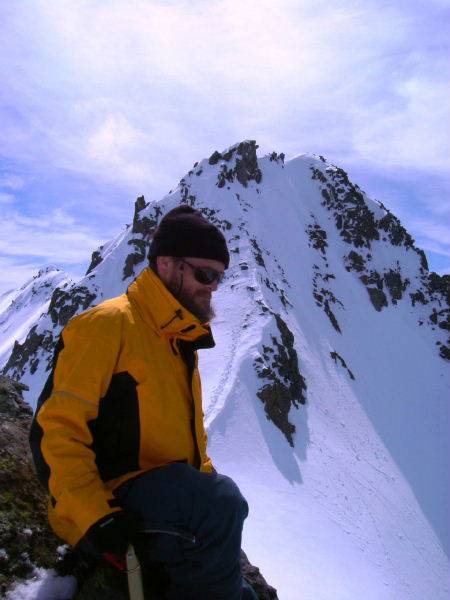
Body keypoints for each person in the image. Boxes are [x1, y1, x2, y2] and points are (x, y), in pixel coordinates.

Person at [29, 205, 257, 599]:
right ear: (167, 264)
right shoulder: (106, 327)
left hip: (160, 500)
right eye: (205, 274)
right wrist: (97, 519)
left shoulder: (179, 338)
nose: (213, 286)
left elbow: (188, 445)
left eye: (218, 277)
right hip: (107, 505)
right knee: (221, 505)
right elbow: (56, 430)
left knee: (235, 561)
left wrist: (208, 491)